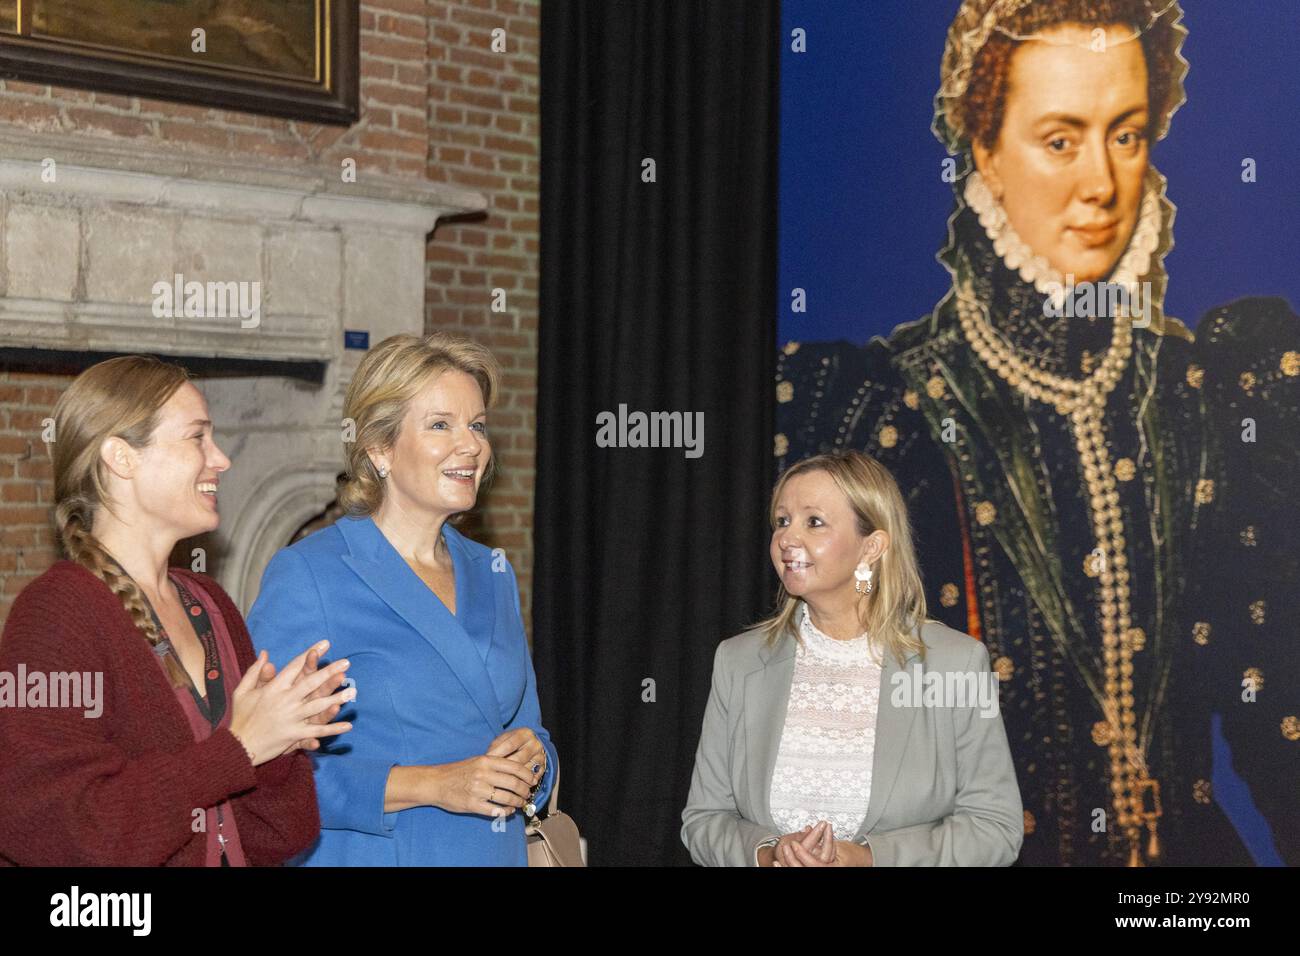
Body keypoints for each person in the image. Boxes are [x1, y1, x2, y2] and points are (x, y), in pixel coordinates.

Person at [776, 0, 1299, 865]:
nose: (1101, 180)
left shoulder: (1204, 398)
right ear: (984, 149)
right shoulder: (890, 413)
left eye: (1126, 134)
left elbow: (1272, 710)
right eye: (1061, 140)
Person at [0, 355, 352, 866]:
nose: (221, 459)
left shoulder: (210, 605)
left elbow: (280, 836)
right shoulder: (55, 616)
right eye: (197, 438)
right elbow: (61, 833)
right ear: (121, 458)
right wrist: (238, 748)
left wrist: (281, 738)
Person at [248, 332, 557, 866]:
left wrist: (537, 761)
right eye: (441, 425)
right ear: (379, 449)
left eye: (477, 425)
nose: (472, 445)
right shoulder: (310, 575)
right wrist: (432, 784)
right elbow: (265, 770)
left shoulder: (493, 572)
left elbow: (530, 732)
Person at [682, 451, 1023, 867]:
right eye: (782, 521)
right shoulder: (738, 662)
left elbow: (995, 828)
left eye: (814, 522)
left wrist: (869, 858)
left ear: (872, 547)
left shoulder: (956, 663)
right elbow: (704, 821)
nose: (787, 539)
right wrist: (766, 854)